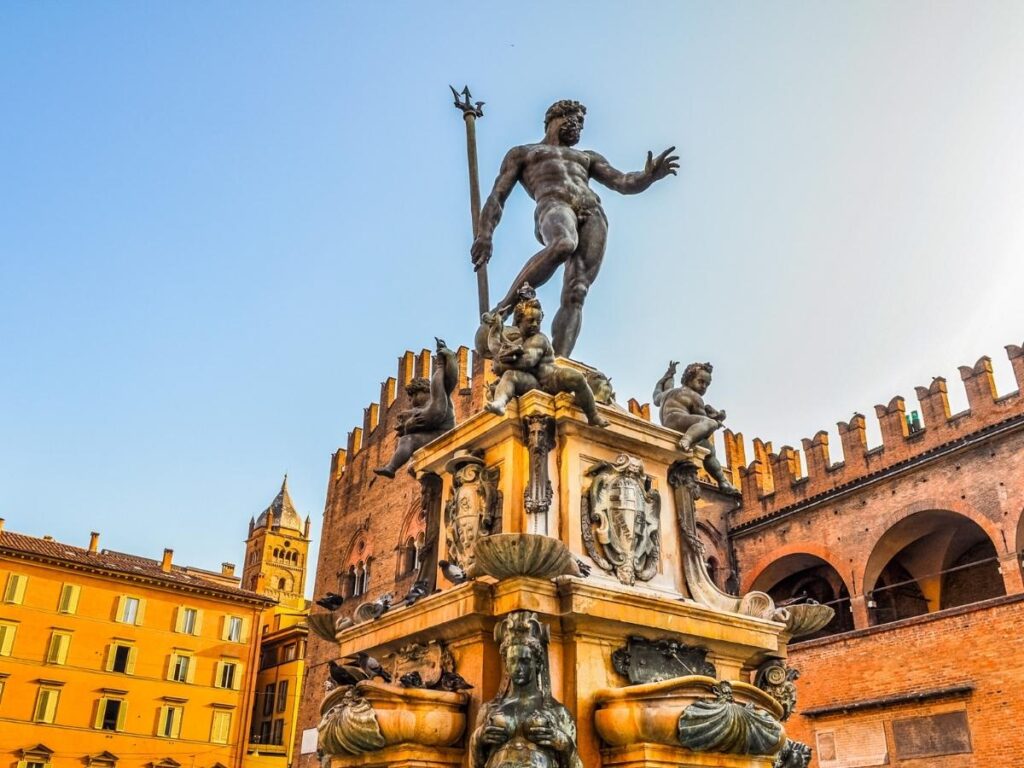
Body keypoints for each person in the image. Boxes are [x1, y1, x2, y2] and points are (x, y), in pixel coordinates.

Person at [472, 100, 678, 357]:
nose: (579, 125)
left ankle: (558, 362)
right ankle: (504, 308)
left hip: (593, 212)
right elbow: (497, 196)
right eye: (575, 118)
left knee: (577, 290)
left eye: (582, 122)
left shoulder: (587, 158)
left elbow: (623, 182)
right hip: (553, 205)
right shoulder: (524, 153)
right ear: (557, 117)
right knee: (563, 243)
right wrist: (485, 235)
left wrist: (649, 176)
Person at [482, 286, 608, 428]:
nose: (535, 325)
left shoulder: (539, 339)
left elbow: (528, 361)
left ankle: (593, 415)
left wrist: (502, 361)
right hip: (534, 383)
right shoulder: (517, 343)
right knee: (510, 376)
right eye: (530, 321)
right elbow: (495, 347)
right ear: (519, 320)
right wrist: (495, 327)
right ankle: (500, 402)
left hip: (552, 378)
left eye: (538, 321)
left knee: (576, 377)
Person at [469, 612, 582, 768]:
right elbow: (476, 765)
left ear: (538, 664)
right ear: (506, 664)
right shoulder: (489, 710)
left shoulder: (558, 712)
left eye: (525, 661)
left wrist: (564, 743)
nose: (518, 668)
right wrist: (478, 740)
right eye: (512, 661)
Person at [373, 339, 457, 479]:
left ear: (423, 390)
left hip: (445, 433)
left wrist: (448, 357)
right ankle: (391, 468)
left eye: (413, 396)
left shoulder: (439, 391)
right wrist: (407, 426)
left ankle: (391, 468)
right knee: (407, 440)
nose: (411, 402)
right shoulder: (420, 409)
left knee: (408, 440)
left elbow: (452, 377)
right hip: (435, 435)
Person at [653, 361, 739, 495]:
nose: (703, 386)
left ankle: (723, 481)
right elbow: (704, 421)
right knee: (711, 424)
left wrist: (667, 376)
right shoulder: (695, 396)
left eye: (707, 384)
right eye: (701, 381)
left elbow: (656, 395)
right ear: (689, 378)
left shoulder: (668, 392)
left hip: (669, 423)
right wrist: (717, 418)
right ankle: (687, 440)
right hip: (680, 422)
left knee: (708, 449)